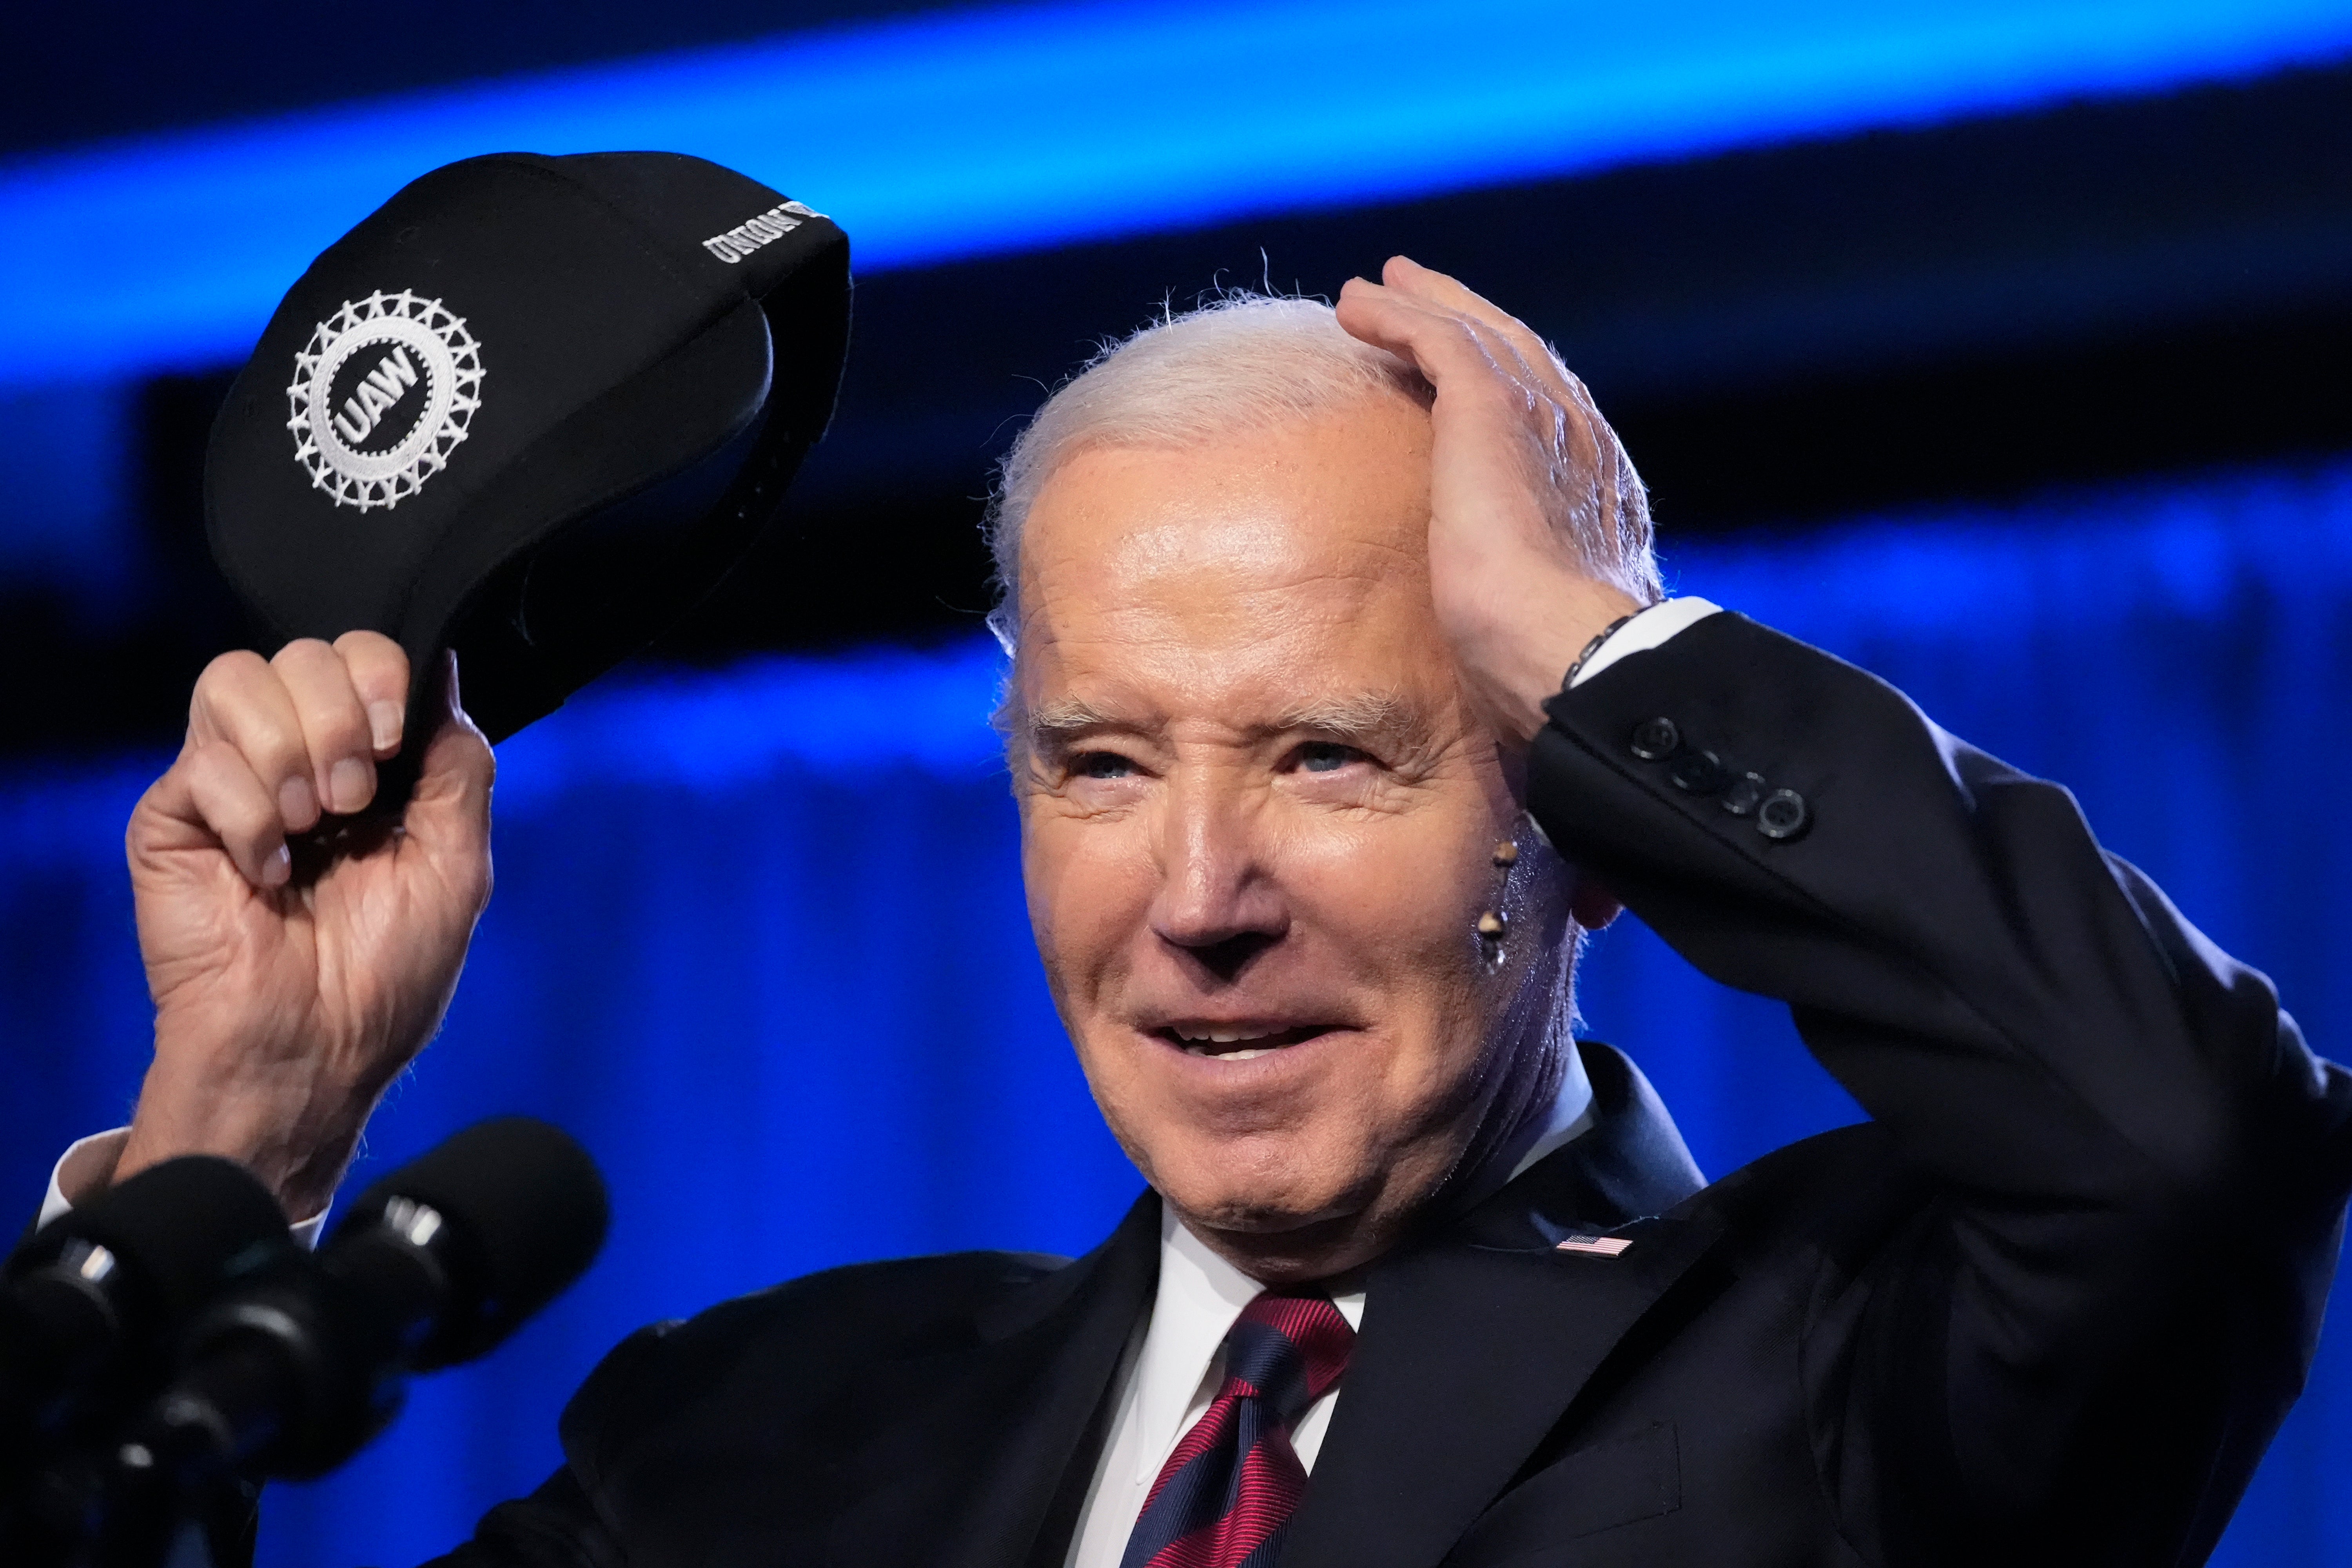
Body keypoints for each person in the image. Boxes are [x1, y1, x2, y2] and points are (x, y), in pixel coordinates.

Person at [46, 260, 2351, 1566]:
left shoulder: (1843, 1383)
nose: (1199, 902)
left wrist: (1608, 659)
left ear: (1579, 831)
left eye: (1330, 756)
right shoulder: (757, 1444)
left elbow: (2183, 1147)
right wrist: (240, 1126)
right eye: (1102, 766)